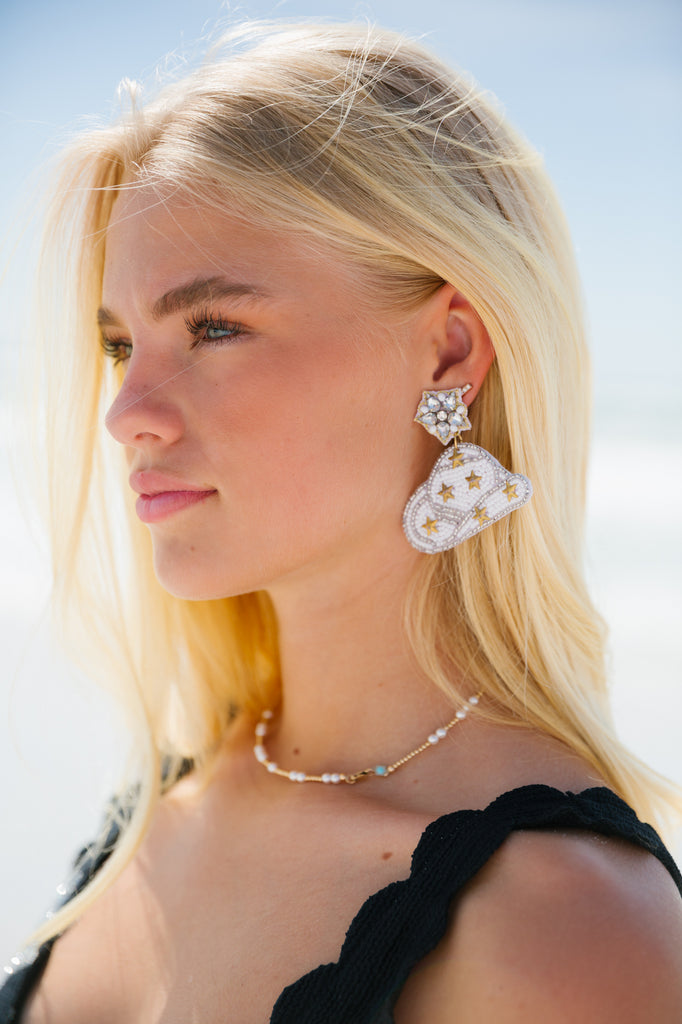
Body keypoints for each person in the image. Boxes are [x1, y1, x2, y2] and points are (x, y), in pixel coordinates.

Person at [2, 20, 681, 1024]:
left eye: (213, 327)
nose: (126, 412)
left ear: (449, 351)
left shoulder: (570, 934)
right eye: (117, 345)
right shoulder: (158, 808)